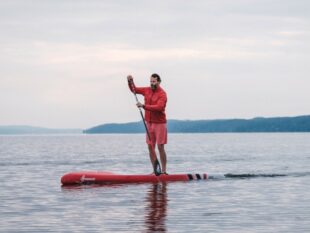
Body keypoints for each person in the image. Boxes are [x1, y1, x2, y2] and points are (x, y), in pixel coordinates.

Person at [127, 73, 168, 175]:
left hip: (159, 124)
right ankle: (155, 170)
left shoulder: (162, 94)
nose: (152, 83)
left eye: (154, 81)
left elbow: (160, 107)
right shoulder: (147, 90)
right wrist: (130, 81)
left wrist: (144, 106)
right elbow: (134, 90)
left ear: (158, 82)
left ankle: (164, 171)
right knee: (150, 147)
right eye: (150, 81)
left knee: (160, 147)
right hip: (149, 123)